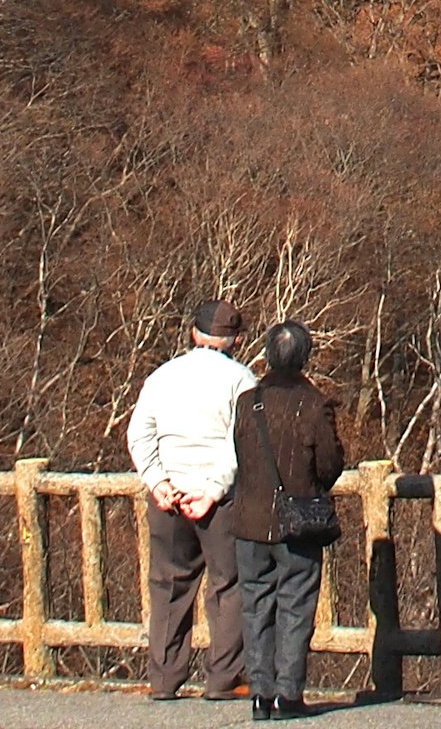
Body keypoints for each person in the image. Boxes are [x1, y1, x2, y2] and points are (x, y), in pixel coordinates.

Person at [125, 300, 256, 702]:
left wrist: (157, 481)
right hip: (219, 498)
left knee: (168, 583)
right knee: (228, 584)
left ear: (194, 333)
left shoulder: (162, 376)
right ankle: (224, 678)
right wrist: (213, 490)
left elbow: (140, 434)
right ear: (236, 339)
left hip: (169, 493)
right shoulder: (242, 379)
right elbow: (243, 443)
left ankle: (164, 679)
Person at [220, 320, 347, 721]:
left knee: (256, 605)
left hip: (250, 519)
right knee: (296, 604)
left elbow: (241, 455)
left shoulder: (248, 402)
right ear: (305, 356)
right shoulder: (314, 404)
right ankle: (288, 694)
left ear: (268, 355)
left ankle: (260, 693)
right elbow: (329, 465)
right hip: (298, 521)